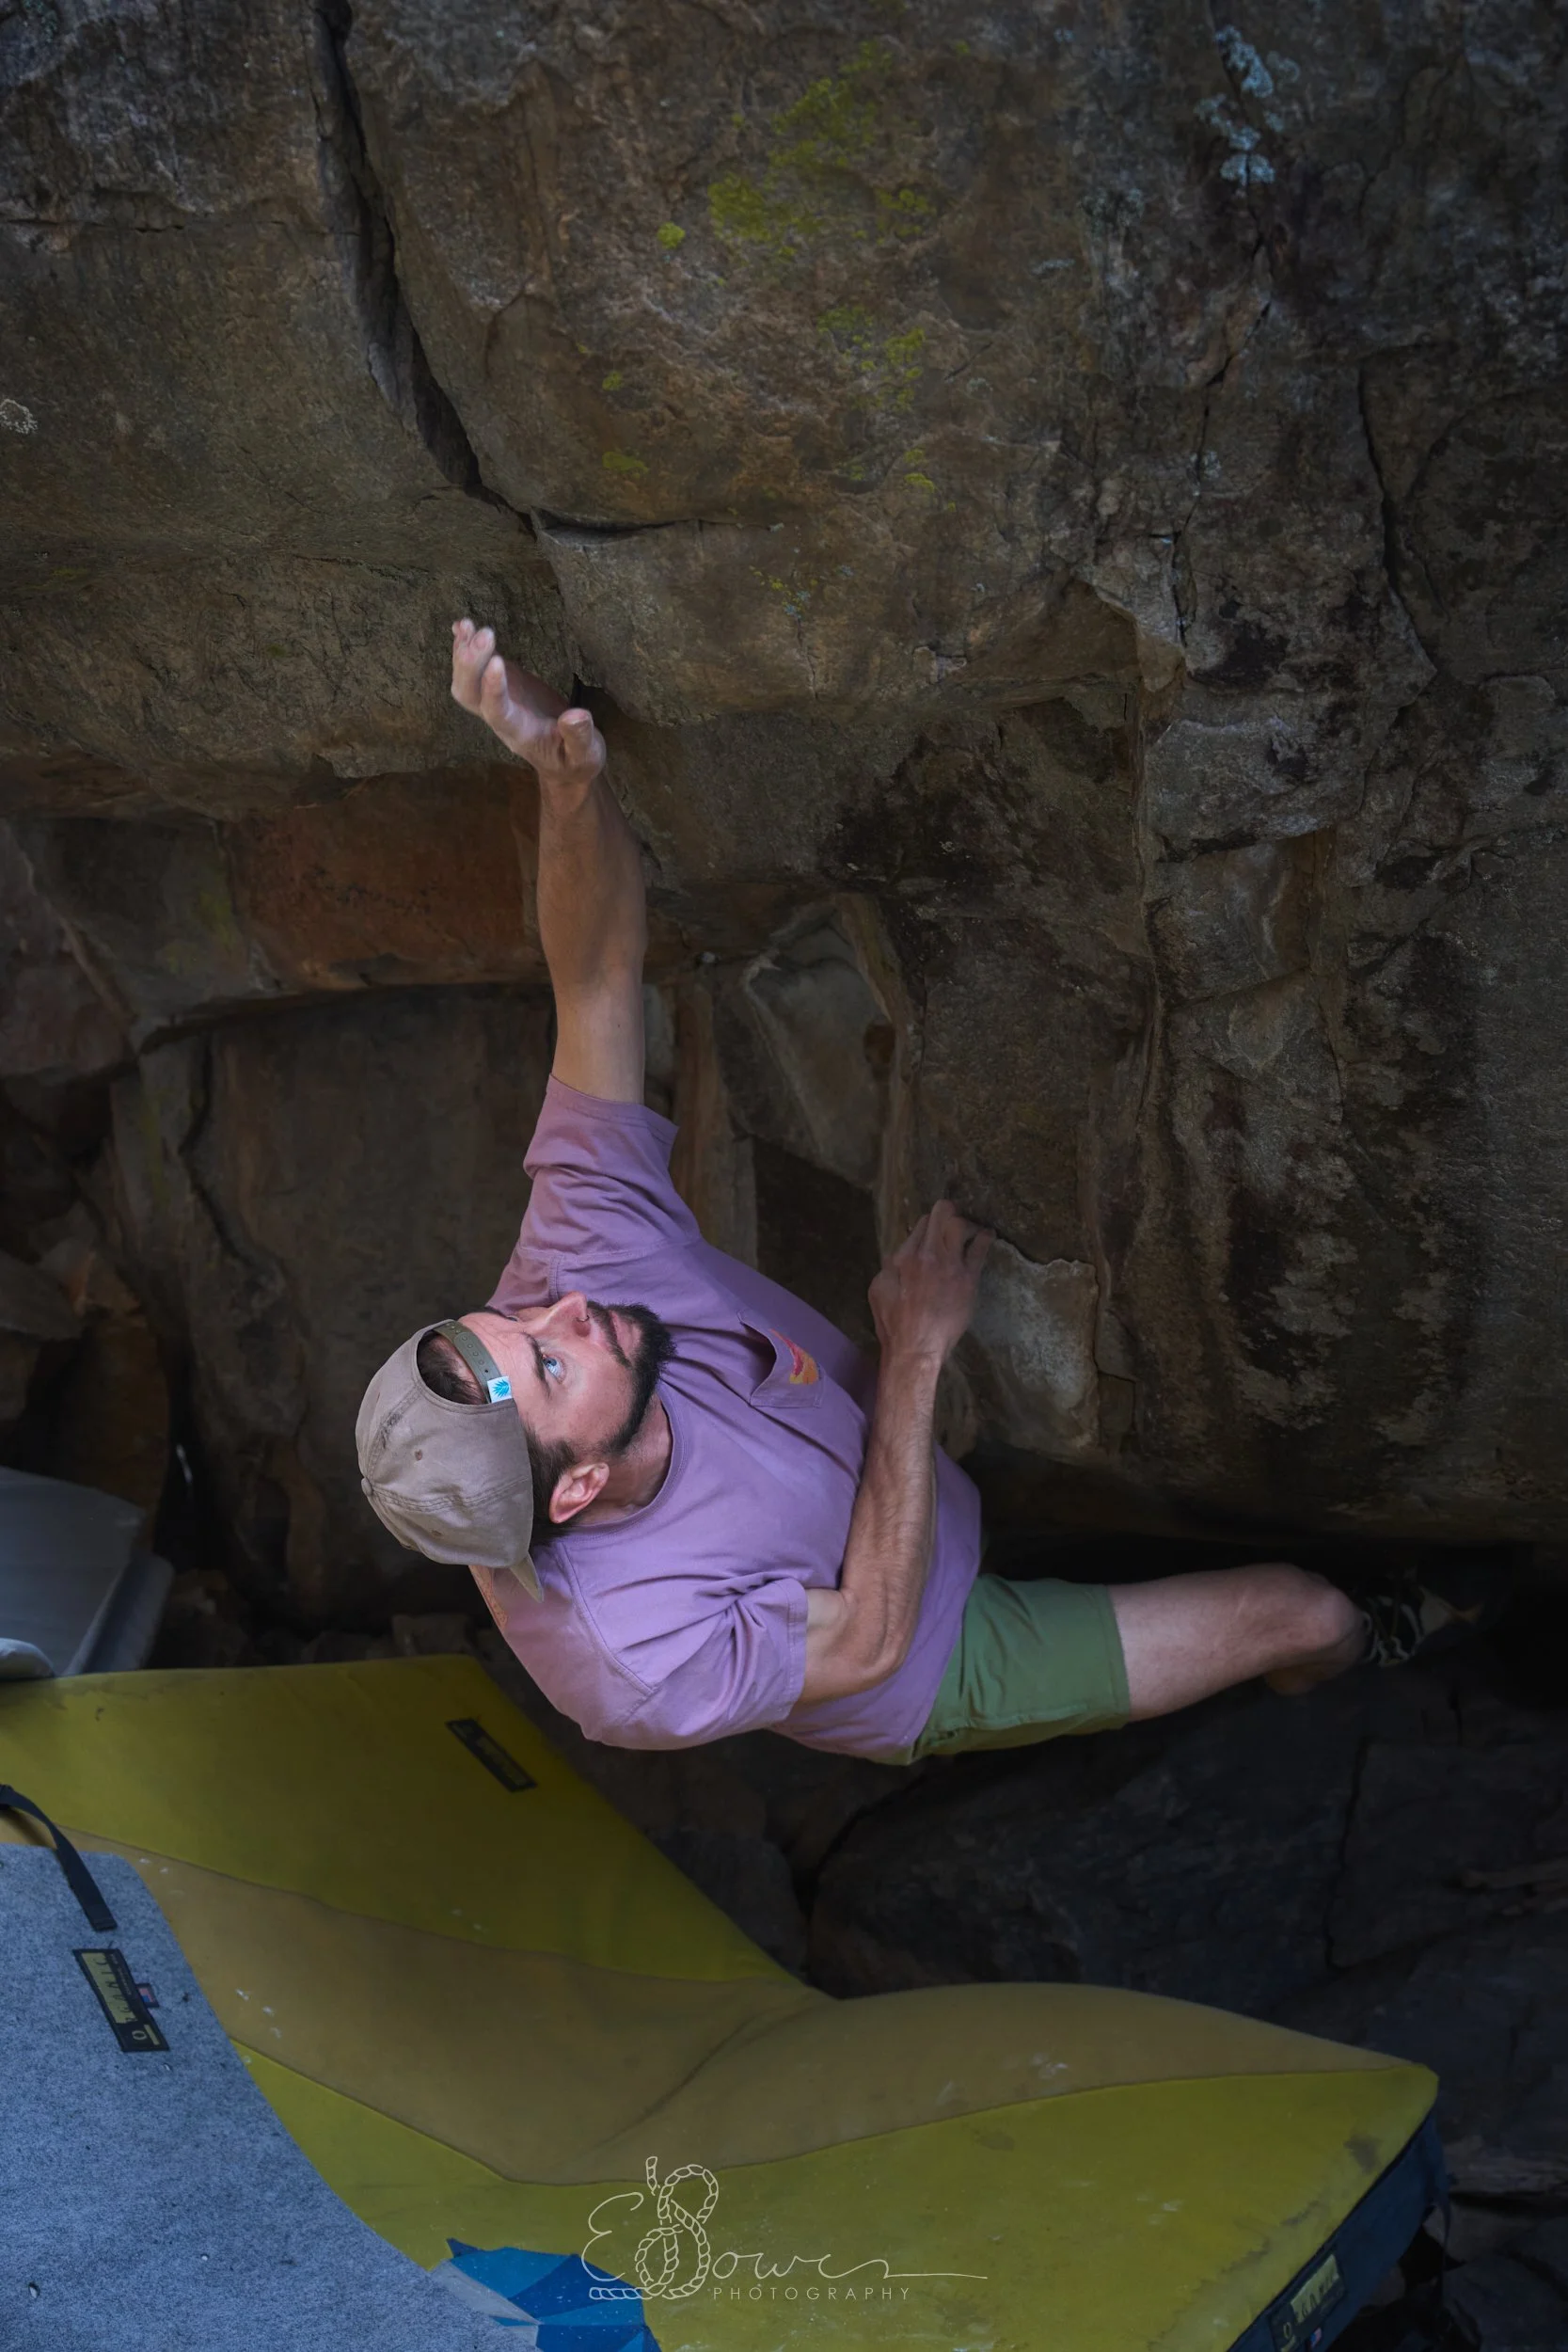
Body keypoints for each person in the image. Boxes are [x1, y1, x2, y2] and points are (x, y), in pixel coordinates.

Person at [356, 623, 1487, 1762]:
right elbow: (864, 1643)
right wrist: (911, 1353)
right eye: (551, 1364)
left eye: (512, 1316)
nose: (561, 1308)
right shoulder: (625, 1658)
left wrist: (563, 780)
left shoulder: (573, 1258)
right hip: (934, 1651)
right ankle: (1357, 1655)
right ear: (577, 1488)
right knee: (1304, 1609)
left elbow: (595, 977)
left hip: (916, 1486)